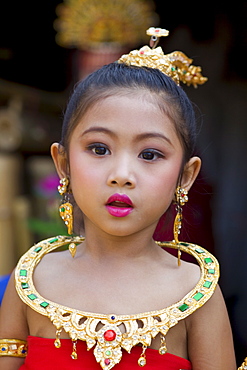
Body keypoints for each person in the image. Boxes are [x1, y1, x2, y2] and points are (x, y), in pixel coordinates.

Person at [0, 28, 236, 370]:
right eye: (99, 149)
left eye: (150, 154)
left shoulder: (196, 295)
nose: (122, 174)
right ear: (63, 163)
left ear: (185, 176)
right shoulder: (31, 282)